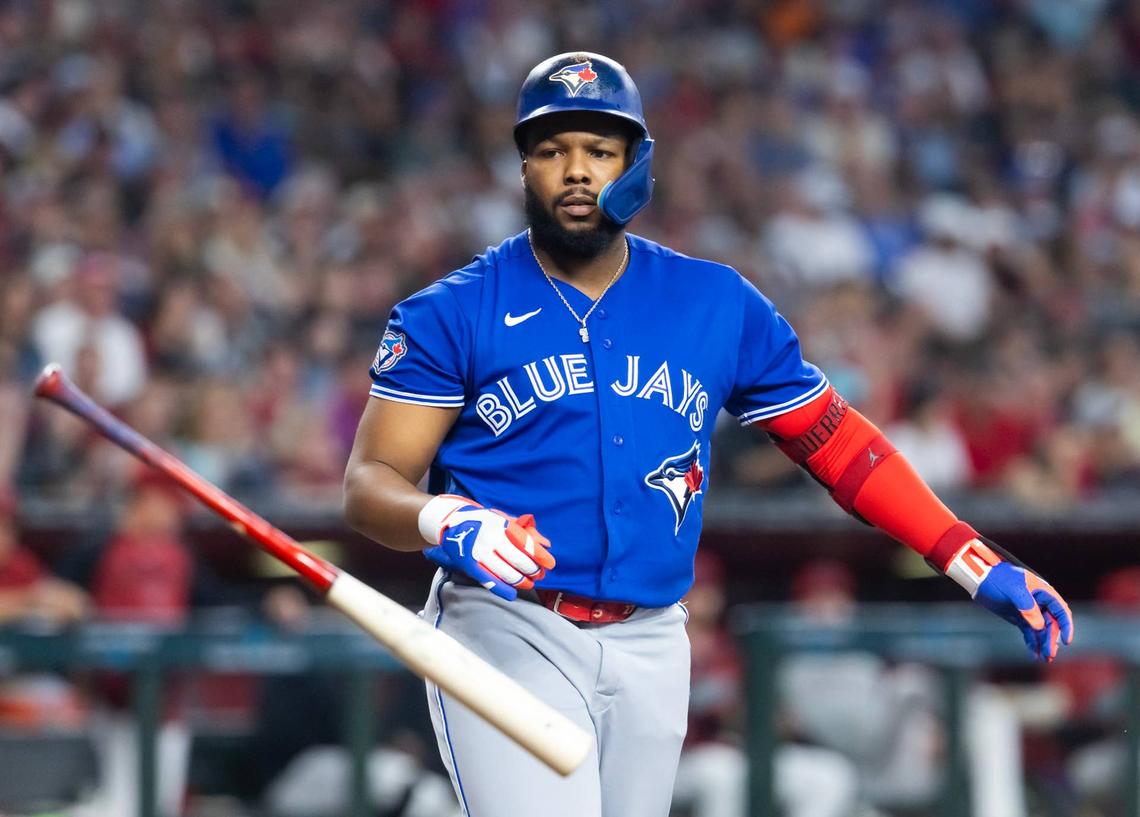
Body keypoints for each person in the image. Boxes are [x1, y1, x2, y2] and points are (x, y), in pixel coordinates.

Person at [343, 52, 1074, 817]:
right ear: (524, 166)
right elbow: (370, 483)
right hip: (504, 624)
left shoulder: (714, 302)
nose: (577, 170)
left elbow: (836, 443)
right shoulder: (451, 311)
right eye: (553, 150)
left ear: (636, 163)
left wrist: (966, 556)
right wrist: (443, 516)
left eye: (599, 150)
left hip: (654, 636)